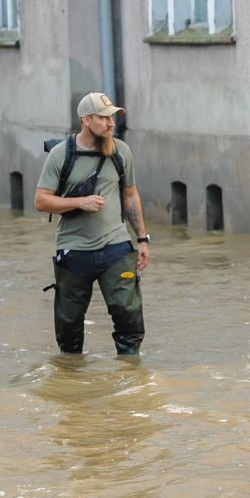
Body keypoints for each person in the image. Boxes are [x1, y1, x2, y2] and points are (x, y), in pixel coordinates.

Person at [34, 92, 151, 355]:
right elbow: (41, 201)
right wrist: (79, 203)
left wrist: (142, 239)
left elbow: (130, 194)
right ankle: (73, 384)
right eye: (104, 118)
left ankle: (130, 378)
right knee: (69, 330)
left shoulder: (121, 151)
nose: (111, 124)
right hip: (73, 249)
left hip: (115, 245)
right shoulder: (60, 154)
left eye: (113, 117)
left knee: (129, 318)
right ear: (86, 119)